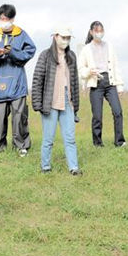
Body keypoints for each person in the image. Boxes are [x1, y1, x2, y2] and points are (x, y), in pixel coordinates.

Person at [0, 4, 36, 157]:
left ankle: (21, 145)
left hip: (17, 82)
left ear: (13, 19)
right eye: (2, 18)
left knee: (19, 117)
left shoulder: (21, 35)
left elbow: (30, 51)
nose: (4, 21)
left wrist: (12, 52)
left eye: (7, 18)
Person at [31, 27, 81, 176]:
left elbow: (75, 82)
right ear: (55, 37)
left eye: (68, 38)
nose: (65, 41)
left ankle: (74, 167)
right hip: (50, 101)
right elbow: (37, 79)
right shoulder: (45, 55)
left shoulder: (71, 56)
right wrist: (37, 103)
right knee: (48, 138)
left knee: (70, 138)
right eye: (63, 37)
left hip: (67, 101)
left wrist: (75, 105)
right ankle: (45, 167)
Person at [78, 21, 126, 147]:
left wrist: (119, 85)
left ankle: (120, 141)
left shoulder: (109, 46)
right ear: (91, 32)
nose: (99, 33)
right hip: (96, 83)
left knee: (118, 111)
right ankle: (97, 143)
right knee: (97, 115)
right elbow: (81, 69)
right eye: (96, 31)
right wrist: (89, 71)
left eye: (101, 31)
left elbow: (116, 66)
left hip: (110, 82)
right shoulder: (86, 49)